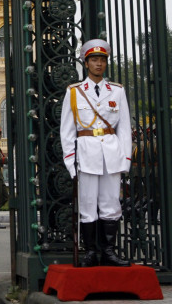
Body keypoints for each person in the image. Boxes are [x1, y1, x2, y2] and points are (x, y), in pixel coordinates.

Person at [60, 38, 131, 267]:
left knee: (111, 203)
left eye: (102, 60)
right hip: (87, 154)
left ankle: (108, 252)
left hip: (111, 154)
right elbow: (67, 131)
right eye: (94, 60)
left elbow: (125, 129)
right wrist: (71, 163)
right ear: (86, 63)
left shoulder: (117, 91)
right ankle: (90, 251)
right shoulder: (74, 92)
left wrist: (125, 159)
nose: (98, 64)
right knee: (88, 204)